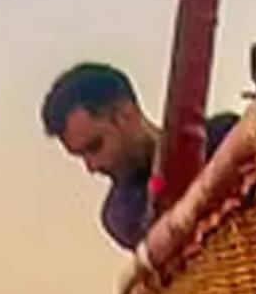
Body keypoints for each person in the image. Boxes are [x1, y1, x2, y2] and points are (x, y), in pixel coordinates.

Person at [41, 61, 230, 250]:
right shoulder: (123, 211)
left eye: (95, 147)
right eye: (81, 156)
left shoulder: (222, 133)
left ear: (126, 114)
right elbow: (162, 217)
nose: (92, 166)